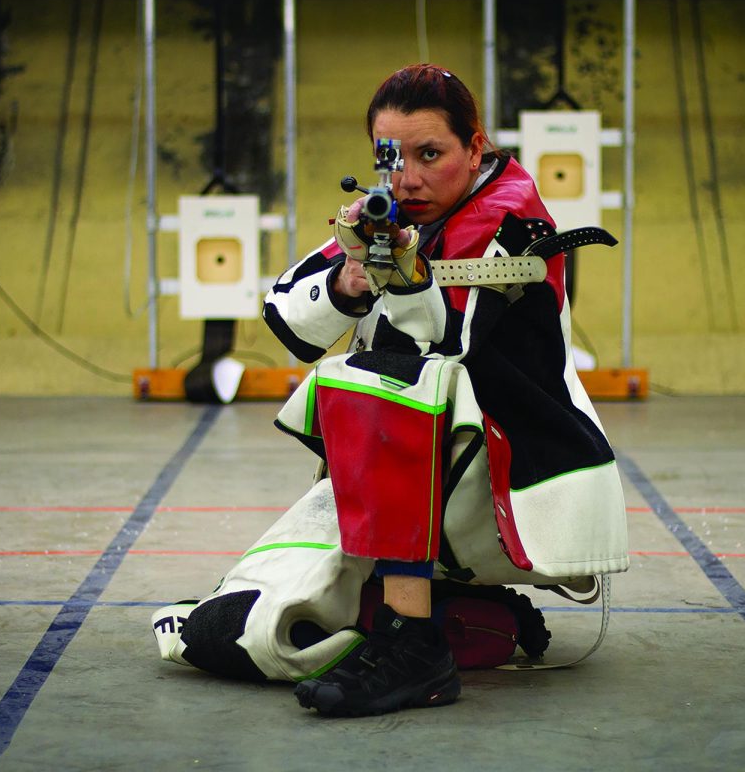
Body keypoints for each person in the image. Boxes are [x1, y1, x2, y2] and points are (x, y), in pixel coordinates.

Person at [254, 63, 628, 717]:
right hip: (450, 475)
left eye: (432, 154)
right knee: (248, 620)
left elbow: (450, 348)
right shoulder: (402, 212)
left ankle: (416, 644)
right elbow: (286, 321)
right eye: (392, 158)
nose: (410, 178)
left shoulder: (514, 221)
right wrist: (348, 279)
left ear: (475, 147)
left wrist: (400, 276)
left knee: (385, 381)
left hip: (518, 468)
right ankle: (465, 616)